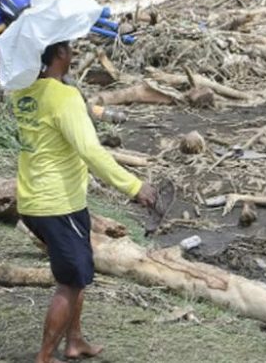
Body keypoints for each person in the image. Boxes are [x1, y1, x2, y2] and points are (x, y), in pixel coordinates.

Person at [11, 41, 157, 363]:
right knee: (70, 282)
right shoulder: (64, 98)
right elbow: (90, 151)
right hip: (58, 204)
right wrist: (134, 186)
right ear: (60, 53)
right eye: (69, 48)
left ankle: (74, 341)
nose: (74, 53)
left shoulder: (23, 93)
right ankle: (44, 358)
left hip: (34, 201)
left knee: (76, 273)